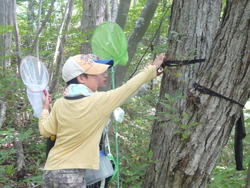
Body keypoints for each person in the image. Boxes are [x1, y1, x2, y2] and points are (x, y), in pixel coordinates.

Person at [39, 53, 166, 187]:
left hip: (50, 171)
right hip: (71, 176)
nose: (104, 74)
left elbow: (46, 130)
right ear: (81, 78)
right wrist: (152, 68)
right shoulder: (97, 102)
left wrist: (45, 109)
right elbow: (128, 88)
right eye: (97, 72)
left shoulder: (60, 103)